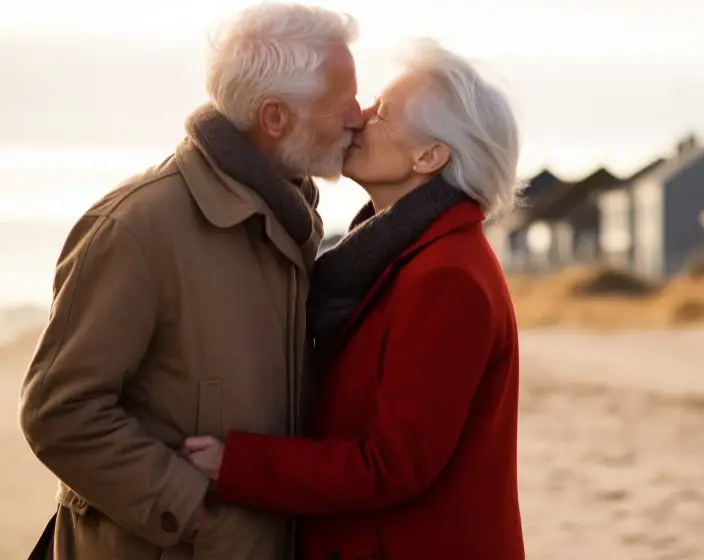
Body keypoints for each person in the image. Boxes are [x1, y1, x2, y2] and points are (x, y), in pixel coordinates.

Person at [18, 3, 363, 559]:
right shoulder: (138, 228)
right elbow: (59, 413)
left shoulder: (291, 218)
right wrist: (189, 507)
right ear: (274, 118)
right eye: (340, 99)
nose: (359, 113)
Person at [183, 40, 526, 560]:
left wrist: (237, 465)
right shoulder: (400, 255)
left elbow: (393, 465)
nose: (359, 116)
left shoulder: (448, 278)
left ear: (430, 155)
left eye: (384, 115)